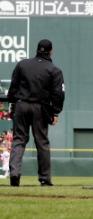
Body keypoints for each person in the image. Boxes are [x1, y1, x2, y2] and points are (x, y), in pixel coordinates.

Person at [7, 39, 65, 187]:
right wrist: (55, 112)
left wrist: (13, 104)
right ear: (51, 51)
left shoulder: (22, 64)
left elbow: (13, 88)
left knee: (18, 140)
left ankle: (14, 174)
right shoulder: (54, 70)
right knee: (42, 142)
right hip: (40, 108)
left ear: (37, 49)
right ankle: (44, 178)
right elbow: (58, 94)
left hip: (21, 105)